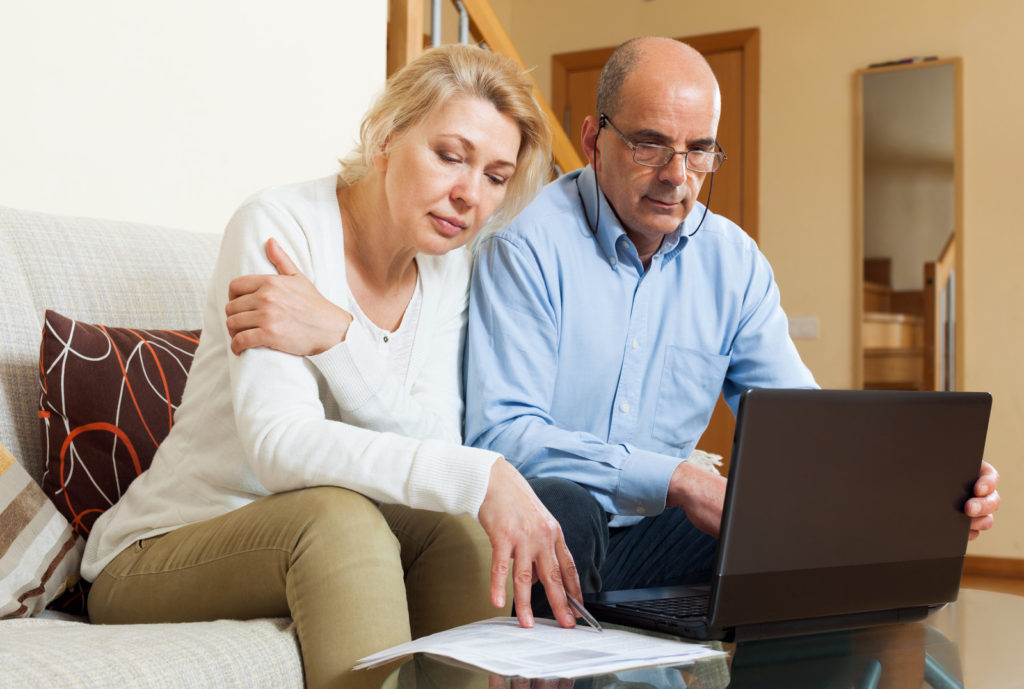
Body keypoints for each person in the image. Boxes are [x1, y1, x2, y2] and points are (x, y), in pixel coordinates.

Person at [81, 44, 581, 689]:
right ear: (386, 136)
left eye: (494, 175)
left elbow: (436, 437)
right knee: (341, 522)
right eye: (449, 156)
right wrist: (476, 472)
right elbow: (278, 447)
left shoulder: (448, 264)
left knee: (460, 533)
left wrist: (338, 337)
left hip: (315, 534)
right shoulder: (280, 225)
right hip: (164, 549)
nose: (467, 195)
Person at [463, 36, 1001, 611]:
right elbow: (503, 437)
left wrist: (918, 494)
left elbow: (801, 430)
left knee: (831, 540)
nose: (678, 176)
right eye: (651, 145)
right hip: (555, 525)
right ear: (595, 141)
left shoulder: (733, 264)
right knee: (564, 506)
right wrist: (678, 479)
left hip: (651, 536)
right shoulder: (526, 247)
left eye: (699, 151)